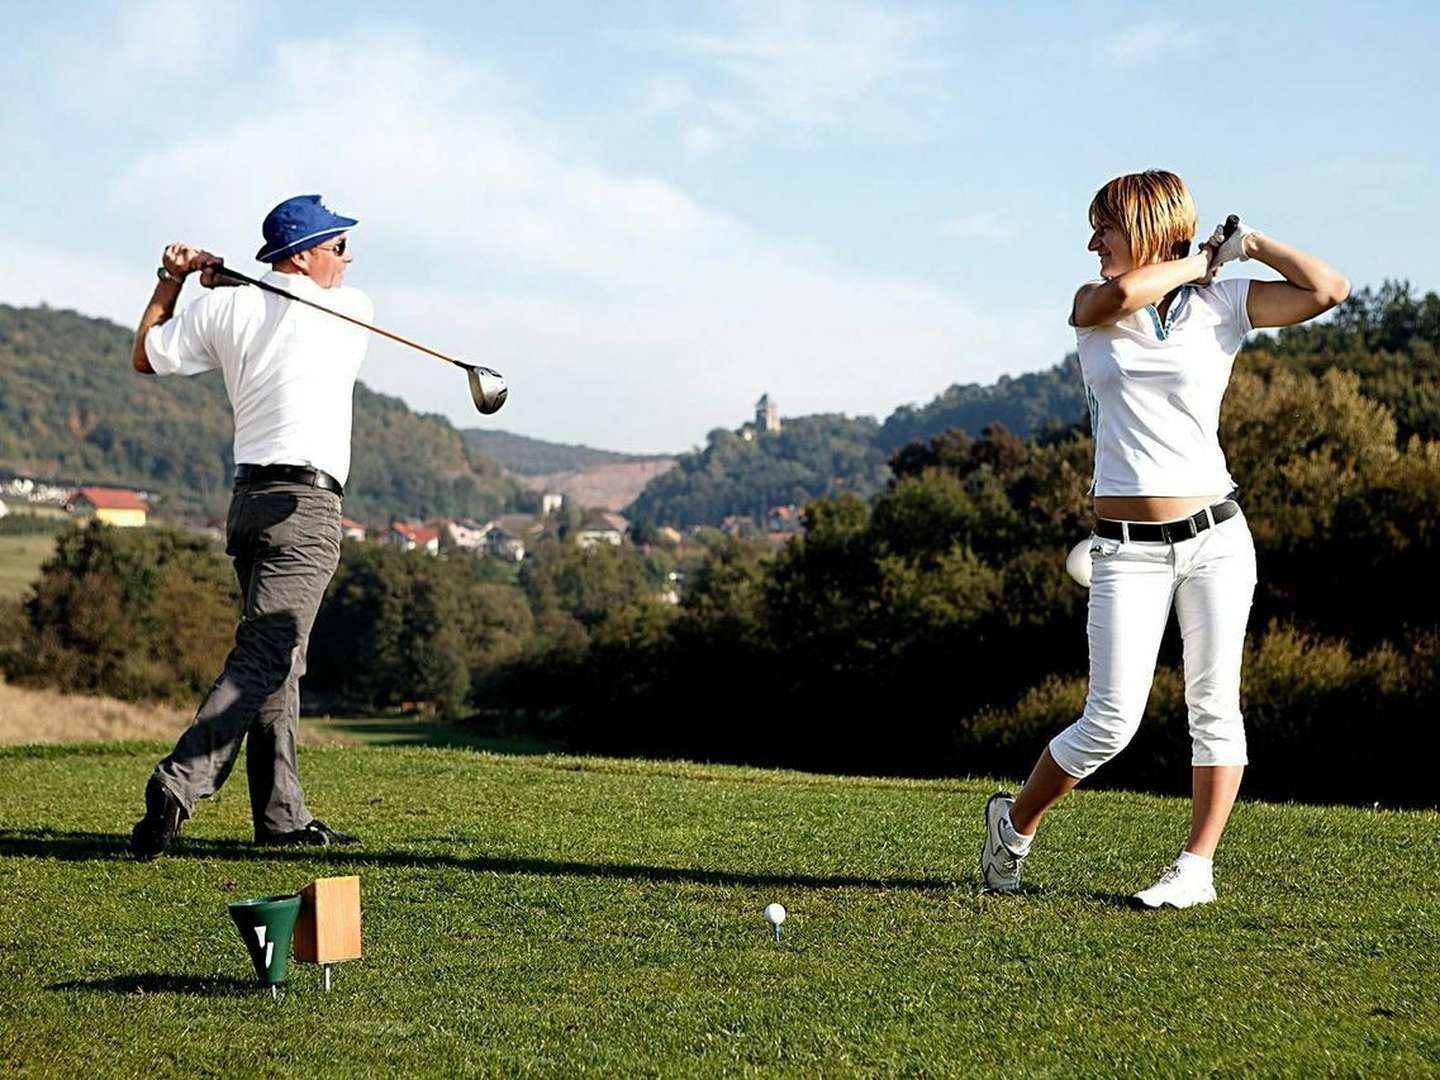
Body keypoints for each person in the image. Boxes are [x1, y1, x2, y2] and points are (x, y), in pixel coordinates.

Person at [981, 170, 1349, 907]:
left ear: (1147, 227)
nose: (1092, 244)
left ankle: (1195, 867)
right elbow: (1120, 295)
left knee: (1214, 706)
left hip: (1217, 536)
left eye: (1104, 229)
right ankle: (1013, 826)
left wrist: (1252, 247)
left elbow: (1328, 291)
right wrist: (1200, 258)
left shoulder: (1223, 304)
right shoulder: (1095, 307)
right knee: (1109, 722)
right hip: (1126, 549)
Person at [128, 194, 373, 859]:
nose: (348, 262)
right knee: (267, 656)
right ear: (302, 254)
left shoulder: (222, 306)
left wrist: (175, 279)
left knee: (278, 663)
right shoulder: (350, 310)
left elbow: (146, 354)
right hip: (305, 508)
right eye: (338, 248)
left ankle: (282, 817)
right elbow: (286, 301)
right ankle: (179, 783)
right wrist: (226, 278)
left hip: (248, 504)